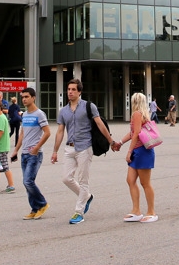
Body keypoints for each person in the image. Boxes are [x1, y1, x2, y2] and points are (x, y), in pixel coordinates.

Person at [50, 78, 118, 224]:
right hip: (69, 148)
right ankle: (87, 196)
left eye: (73, 89)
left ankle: (78, 212)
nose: (70, 92)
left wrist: (111, 141)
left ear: (79, 91)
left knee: (83, 180)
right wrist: (55, 151)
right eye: (69, 89)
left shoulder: (88, 106)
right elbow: (60, 132)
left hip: (85, 148)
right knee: (66, 178)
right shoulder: (64, 111)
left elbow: (100, 124)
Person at [117, 92, 157, 223]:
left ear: (134, 101)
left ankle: (151, 211)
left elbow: (136, 134)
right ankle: (136, 210)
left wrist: (128, 152)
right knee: (130, 180)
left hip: (142, 151)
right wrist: (120, 143)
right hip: (138, 150)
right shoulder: (141, 114)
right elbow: (132, 133)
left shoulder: (137, 114)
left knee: (145, 183)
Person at [11, 87, 50, 219]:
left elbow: (47, 132)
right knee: (26, 182)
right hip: (24, 154)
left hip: (35, 154)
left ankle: (43, 204)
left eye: (27, 96)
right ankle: (34, 209)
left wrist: (37, 147)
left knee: (28, 181)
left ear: (33, 98)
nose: (24, 99)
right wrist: (16, 150)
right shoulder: (25, 115)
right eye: (22, 97)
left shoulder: (39, 114)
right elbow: (22, 133)